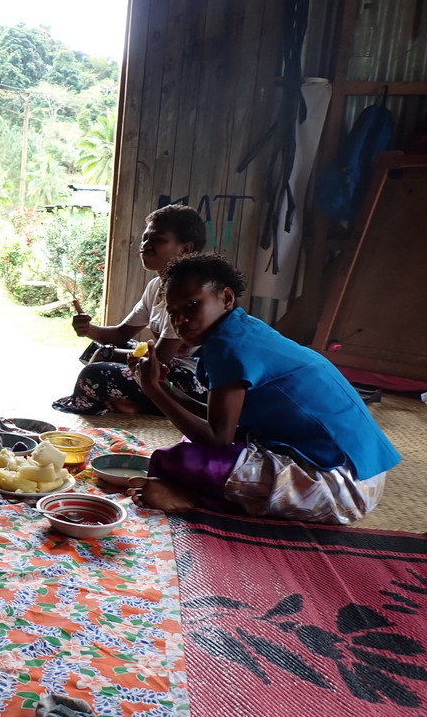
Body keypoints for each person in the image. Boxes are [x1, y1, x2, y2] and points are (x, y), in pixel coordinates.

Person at [130, 252, 401, 524]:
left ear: (226, 298)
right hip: (364, 473)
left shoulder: (227, 346)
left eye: (192, 304)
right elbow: (217, 420)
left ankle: (198, 501)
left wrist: (153, 390)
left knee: (181, 460)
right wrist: (164, 388)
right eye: (173, 313)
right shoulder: (241, 330)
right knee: (195, 442)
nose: (182, 320)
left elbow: (216, 437)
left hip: (342, 488)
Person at [54, 204, 208, 416]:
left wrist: (109, 354)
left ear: (185, 249)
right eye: (145, 238)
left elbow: (160, 358)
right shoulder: (156, 286)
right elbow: (120, 334)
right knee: (95, 349)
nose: (146, 245)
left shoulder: (190, 293)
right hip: (165, 369)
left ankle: (150, 407)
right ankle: (141, 405)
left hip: (189, 384)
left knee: (94, 372)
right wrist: (87, 329)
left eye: (158, 240)